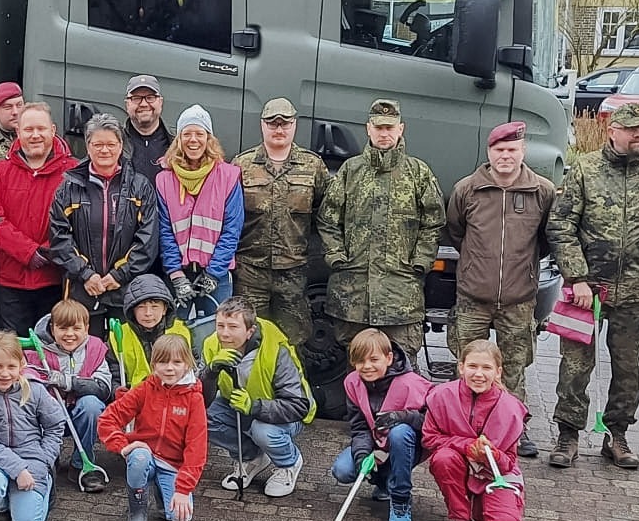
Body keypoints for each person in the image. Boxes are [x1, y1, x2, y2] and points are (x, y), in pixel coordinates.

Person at [545, 102, 639, 471]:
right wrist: (577, 277)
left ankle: (616, 435)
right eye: (632, 129)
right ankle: (568, 434)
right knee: (575, 365)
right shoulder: (586, 170)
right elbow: (561, 227)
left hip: (638, 291)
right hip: (586, 290)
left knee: (628, 368)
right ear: (613, 131)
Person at [445, 120, 554, 457]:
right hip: (473, 298)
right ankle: (461, 427)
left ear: (522, 151)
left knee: (514, 368)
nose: (505, 156)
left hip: (519, 299)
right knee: (466, 365)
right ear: (489, 152)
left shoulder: (542, 192)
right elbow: (455, 232)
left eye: (512, 150)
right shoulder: (467, 190)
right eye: (499, 150)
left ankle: (514, 431)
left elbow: (548, 241)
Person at [317, 99, 444, 357]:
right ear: (368, 129)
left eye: (390, 127)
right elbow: (328, 219)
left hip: (399, 295)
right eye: (379, 128)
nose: (384, 134)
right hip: (353, 294)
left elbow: (433, 222)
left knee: (401, 367)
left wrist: (420, 260)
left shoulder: (418, 173)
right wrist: (337, 256)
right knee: (356, 368)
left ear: (401, 129)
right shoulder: (350, 171)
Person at [232, 99, 329, 352]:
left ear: (294, 125)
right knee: (248, 341)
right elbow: (229, 216)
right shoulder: (242, 165)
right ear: (262, 125)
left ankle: (291, 392)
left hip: (293, 272)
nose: (279, 129)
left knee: (293, 343)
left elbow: (324, 212)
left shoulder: (312, 166)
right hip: (250, 271)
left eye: (285, 123)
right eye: (272, 123)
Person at [49, 113, 159, 334]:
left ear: (121, 146)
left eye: (111, 144)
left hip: (125, 288)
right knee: (85, 353)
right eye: (98, 144)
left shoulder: (140, 186)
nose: (105, 150)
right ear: (88, 146)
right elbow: (59, 237)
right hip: (83, 289)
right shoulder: (69, 187)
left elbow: (147, 239)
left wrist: (119, 275)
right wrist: (86, 274)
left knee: (125, 355)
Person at [0, 102, 78, 337]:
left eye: (41, 129)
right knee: (10, 350)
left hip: (55, 279)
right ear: (18, 132)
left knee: (52, 350)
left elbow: (79, 222)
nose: (35, 135)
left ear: (53, 130)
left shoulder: (73, 173)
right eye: (28, 129)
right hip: (11, 282)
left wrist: (48, 251)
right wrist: (27, 251)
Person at [199, 295, 313, 496]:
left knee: (262, 431)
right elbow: (200, 399)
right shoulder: (210, 344)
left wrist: (254, 407)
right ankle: (251, 458)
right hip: (240, 407)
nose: (224, 334)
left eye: (233, 327)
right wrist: (211, 371)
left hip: (285, 416)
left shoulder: (275, 349)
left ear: (250, 331)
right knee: (198, 417)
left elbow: (298, 405)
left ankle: (289, 463)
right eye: (220, 326)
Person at [99, 332, 206, 521]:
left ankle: (160, 490)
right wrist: (122, 445)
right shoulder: (146, 389)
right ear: (153, 364)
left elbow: (197, 448)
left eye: (177, 362)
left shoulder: (194, 399)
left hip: (172, 464)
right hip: (144, 454)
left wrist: (184, 489)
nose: (169, 368)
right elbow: (108, 418)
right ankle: (137, 511)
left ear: (187, 364)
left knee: (179, 517)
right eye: (163, 361)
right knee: (138, 458)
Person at [424, 338, 528, 521]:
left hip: (494, 473)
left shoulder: (510, 408)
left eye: (486, 368)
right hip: (459, 464)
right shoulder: (441, 395)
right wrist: (468, 445)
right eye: (472, 366)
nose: (478, 374)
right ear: (461, 367)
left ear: (498, 372)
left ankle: (482, 508)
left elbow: (509, 462)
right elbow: (430, 438)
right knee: (443, 458)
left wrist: (493, 454)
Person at [0, 334, 68, 521]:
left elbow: (56, 425)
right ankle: (0, 506)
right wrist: (18, 470)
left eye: (11, 367)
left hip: (32, 458)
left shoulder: (35, 390)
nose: (5, 373)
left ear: (21, 364)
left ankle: (45, 486)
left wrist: (45, 459)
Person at [334, 328, 430, 521]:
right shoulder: (353, 382)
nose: (367, 366)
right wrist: (361, 457)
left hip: (409, 444)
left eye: (373, 359)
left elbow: (432, 422)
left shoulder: (412, 383)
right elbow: (359, 427)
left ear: (388, 358)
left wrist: (403, 416)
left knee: (399, 433)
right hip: (377, 444)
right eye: (360, 361)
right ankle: (383, 481)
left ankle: (401, 500)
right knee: (343, 470)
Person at [157, 106, 243, 313]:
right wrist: (176, 274)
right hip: (179, 275)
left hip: (217, 276)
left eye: (199, 133)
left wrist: (213, 273)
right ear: (178, 139)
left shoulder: (228, 176)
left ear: (208, 138)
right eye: (187, 133)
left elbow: (232, 229)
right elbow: (164, 230)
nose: (193, 139)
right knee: (175, 337)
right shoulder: (164, 179)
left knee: (217, 335)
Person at [26, 299, 116, 474]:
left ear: (86, 328)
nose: (70, 334)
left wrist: (69, 382)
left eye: (76, 328)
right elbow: (26, 382)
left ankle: (82, 463)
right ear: (53, 329)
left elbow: (103, 388)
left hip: (78, 414)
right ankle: (48, 457)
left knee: (92, 405)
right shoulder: (37, 352)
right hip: (50, 416)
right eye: (63, 328)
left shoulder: (96, 349)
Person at [109, 273, 191, 389]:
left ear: (164, 309)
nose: (148, 313)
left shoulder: (180, 331)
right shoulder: (118, 335)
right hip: (135, 398)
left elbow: (191, 370)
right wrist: (117, 391)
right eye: (141, 307)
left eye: (154, 307)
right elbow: (113, 376)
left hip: (173, 395)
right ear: (132, 310)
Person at [121, 74, 172, 175]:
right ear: (127, 104)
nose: (144, 104)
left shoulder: (176, 143)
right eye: (136, 98)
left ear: (160, 102)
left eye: (150, 97)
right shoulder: (116, 142)